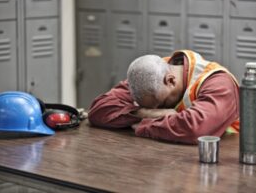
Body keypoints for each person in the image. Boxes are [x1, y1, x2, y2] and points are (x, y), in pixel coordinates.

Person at [88, 50, 239, 144]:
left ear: (171, 81)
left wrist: (144, 126)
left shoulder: (218, 83)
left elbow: (195, 128)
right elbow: (98, 110)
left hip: (222, 163)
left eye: (161, 104)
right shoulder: (151, 75)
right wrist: (145, 113)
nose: (157, 109)